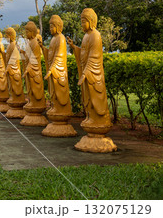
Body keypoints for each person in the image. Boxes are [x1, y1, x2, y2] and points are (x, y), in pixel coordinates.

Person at [67, 8, 116, 152]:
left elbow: (94, 57)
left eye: (83, 22)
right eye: (81, 21)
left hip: (93, 74)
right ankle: (90, 117)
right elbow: (83, 53)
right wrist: (74, 48)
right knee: (87, 98)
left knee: (95, 97)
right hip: (86, 74)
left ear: (91, 22)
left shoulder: (96, 35)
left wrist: (86, 72)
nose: (82, 24)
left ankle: (98, 120)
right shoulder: (86, 36)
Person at [39, 15, 76, 136]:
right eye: (49, 26)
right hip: (53, 70)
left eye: (52, 26)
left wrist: (52, 69)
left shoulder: (61, 38)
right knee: (53, 93)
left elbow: (59, 56)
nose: (50, 28)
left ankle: (61, 109)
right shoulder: (53, 39)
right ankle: (56, 107)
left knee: (60, 91)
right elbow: (50, 54)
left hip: (58, 72)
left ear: (58, 27)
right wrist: (43, 48)